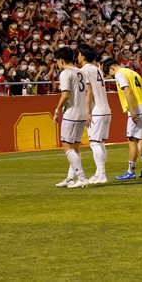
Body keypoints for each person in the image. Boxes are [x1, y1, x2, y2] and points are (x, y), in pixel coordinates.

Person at [103, 59, 142, 180]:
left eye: (108, 72)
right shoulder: (133, 73)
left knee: (131, 140)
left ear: (111, 68)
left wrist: (132, 110)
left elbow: (127, 91)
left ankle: (131, 171)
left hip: (136, 108)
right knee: (137, 140)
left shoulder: (119, 74)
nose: (109, 75)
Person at [52, 48, 89, 189]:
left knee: (66, 146)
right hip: (82, 113)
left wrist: (57, 111)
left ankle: (82, 178)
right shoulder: (81, 72)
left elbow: (65, 94)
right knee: (75, 147)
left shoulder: (65, 73)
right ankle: (70, 179)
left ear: (61, 60)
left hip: (71, 114)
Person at [77, 44, 111, 184]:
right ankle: (99, 173)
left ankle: (102, 174)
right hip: (106, 110)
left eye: (79, 54)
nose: (77, 57)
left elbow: (88, 92)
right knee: (100, 143)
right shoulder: (98, 70)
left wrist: (88, 113)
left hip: (96, 111)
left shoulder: (83, 71)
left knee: (95, 143)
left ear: (83, 56)